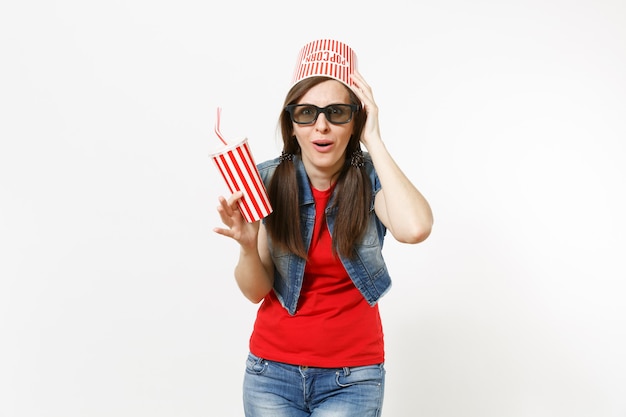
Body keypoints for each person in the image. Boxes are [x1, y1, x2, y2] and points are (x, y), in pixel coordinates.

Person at [213, 39, 433, 417]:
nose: (321, 125)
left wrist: (374, 141)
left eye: (336, 112)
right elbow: (255, 292)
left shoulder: (372, 181)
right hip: (271, 375)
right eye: (306, 113)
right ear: (292, 124)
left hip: (353, 378)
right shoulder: (264, 180)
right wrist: (248, 247)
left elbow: (415, 228)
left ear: (355, 121)